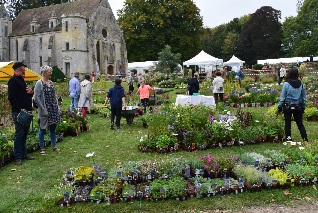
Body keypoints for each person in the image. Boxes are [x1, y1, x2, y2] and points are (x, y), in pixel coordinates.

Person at [8, 62, 35, 165]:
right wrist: (19, 111)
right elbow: (11, 97)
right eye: (24, 67)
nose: (25, 69)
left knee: (24, 134)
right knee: (19, 134)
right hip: (19, 113)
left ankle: (24, 154)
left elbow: (25, 95)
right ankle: (18, 156)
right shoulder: (13, 81)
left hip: (26, 111)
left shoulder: (22, 80)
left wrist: (31, 92)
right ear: (20, 68)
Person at [34, 66, 61, 155]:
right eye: (50, 71)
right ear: (45, 73)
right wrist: (43, 109)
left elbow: (54, 95)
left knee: (53, 127)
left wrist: (57, 106)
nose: (51, 73)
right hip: (45, 109)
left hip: (53, 108)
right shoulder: (39, 83)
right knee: (43, 129)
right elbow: (36, 98)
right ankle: (42, 148)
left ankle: (54, 145)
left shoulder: (51, 83)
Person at [278, 67, 308, 143]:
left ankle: (288, 139)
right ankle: (305, 139)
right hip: (298, 106)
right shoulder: (301, 84)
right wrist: (303, 106)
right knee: (300, 124)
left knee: (287, 123)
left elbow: (283, 97)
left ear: (289, 74)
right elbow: (304, 97)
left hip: (287, 106)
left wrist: (280, 106)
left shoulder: (286, 84)